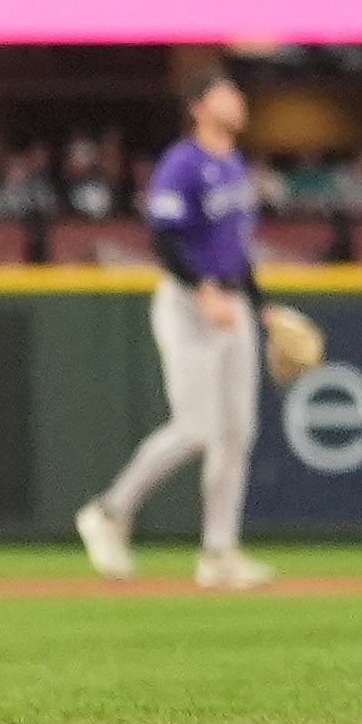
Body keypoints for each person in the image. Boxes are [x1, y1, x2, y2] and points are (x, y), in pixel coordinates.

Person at [76, 69, 272, 590]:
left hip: (232, 302)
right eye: (228, 95)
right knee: (196, 428)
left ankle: (218, 553)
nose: (239, 102)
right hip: (189, 303)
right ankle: (108, 511)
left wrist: (265, 308)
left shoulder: (233, 164)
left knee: (236, 433)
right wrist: (201, 291)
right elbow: (163, 238)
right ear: (200, 108)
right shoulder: (181, 164)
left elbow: (237, 248)